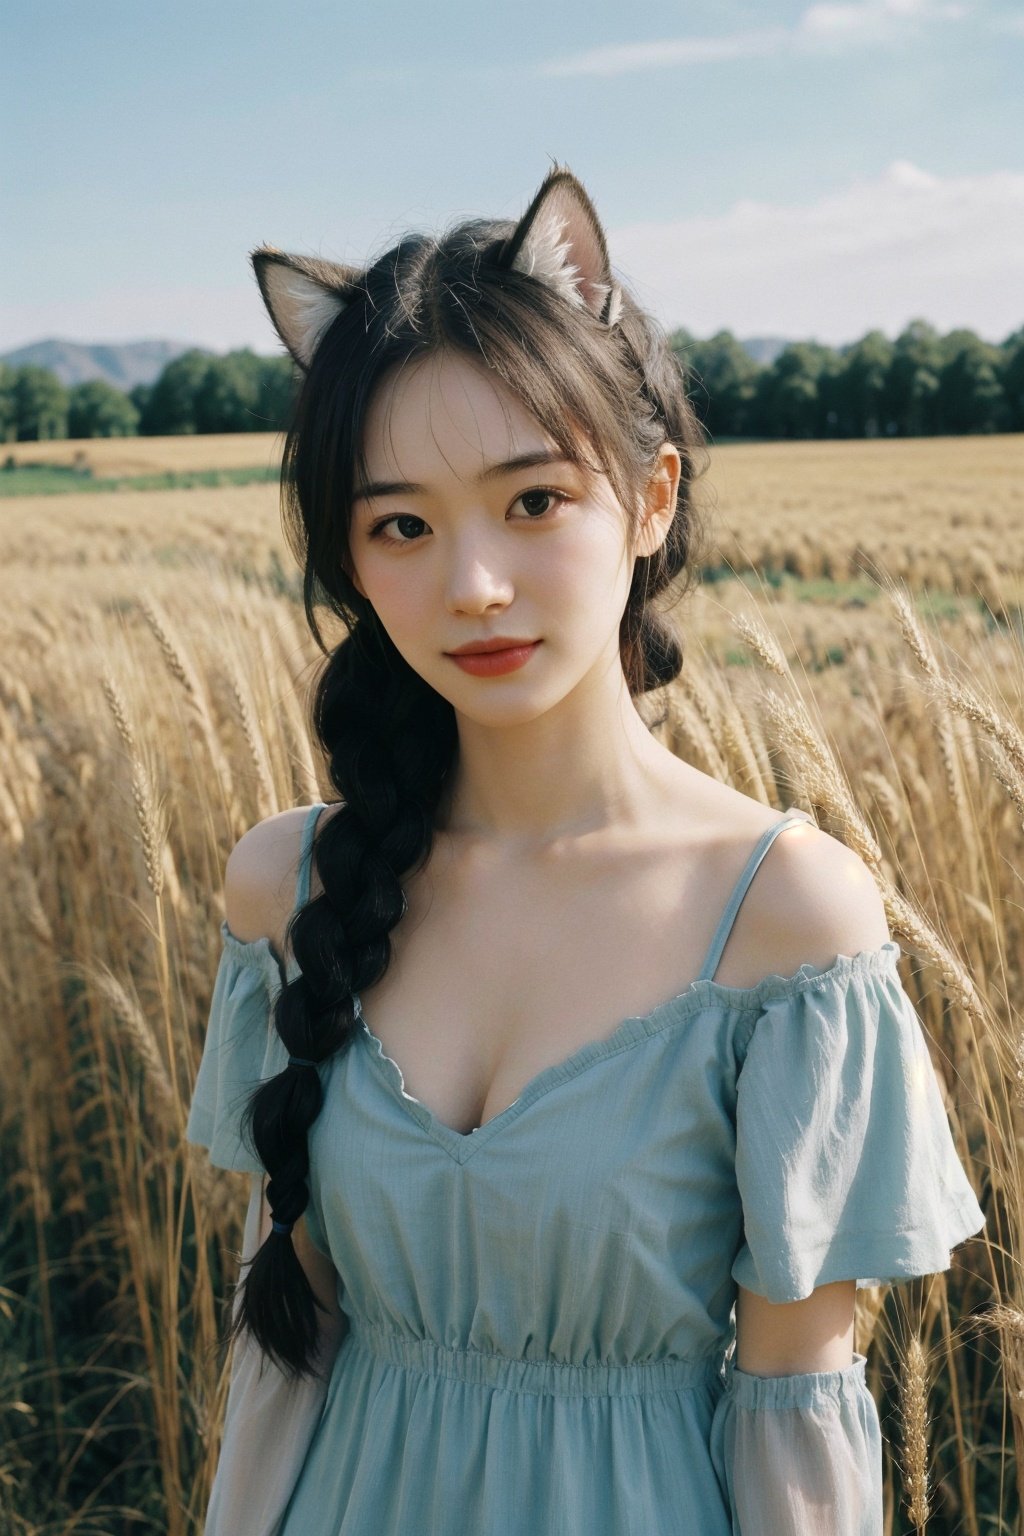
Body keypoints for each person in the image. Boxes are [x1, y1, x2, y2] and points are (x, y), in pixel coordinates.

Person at [185, 163, 986, 1535]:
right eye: (402, 525)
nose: (473, 583)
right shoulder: (293, 887)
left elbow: (798, 1413)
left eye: (535, 501)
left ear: (653, 496)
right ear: (352, 560)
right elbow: (286, 1360)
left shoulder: (787, 922)